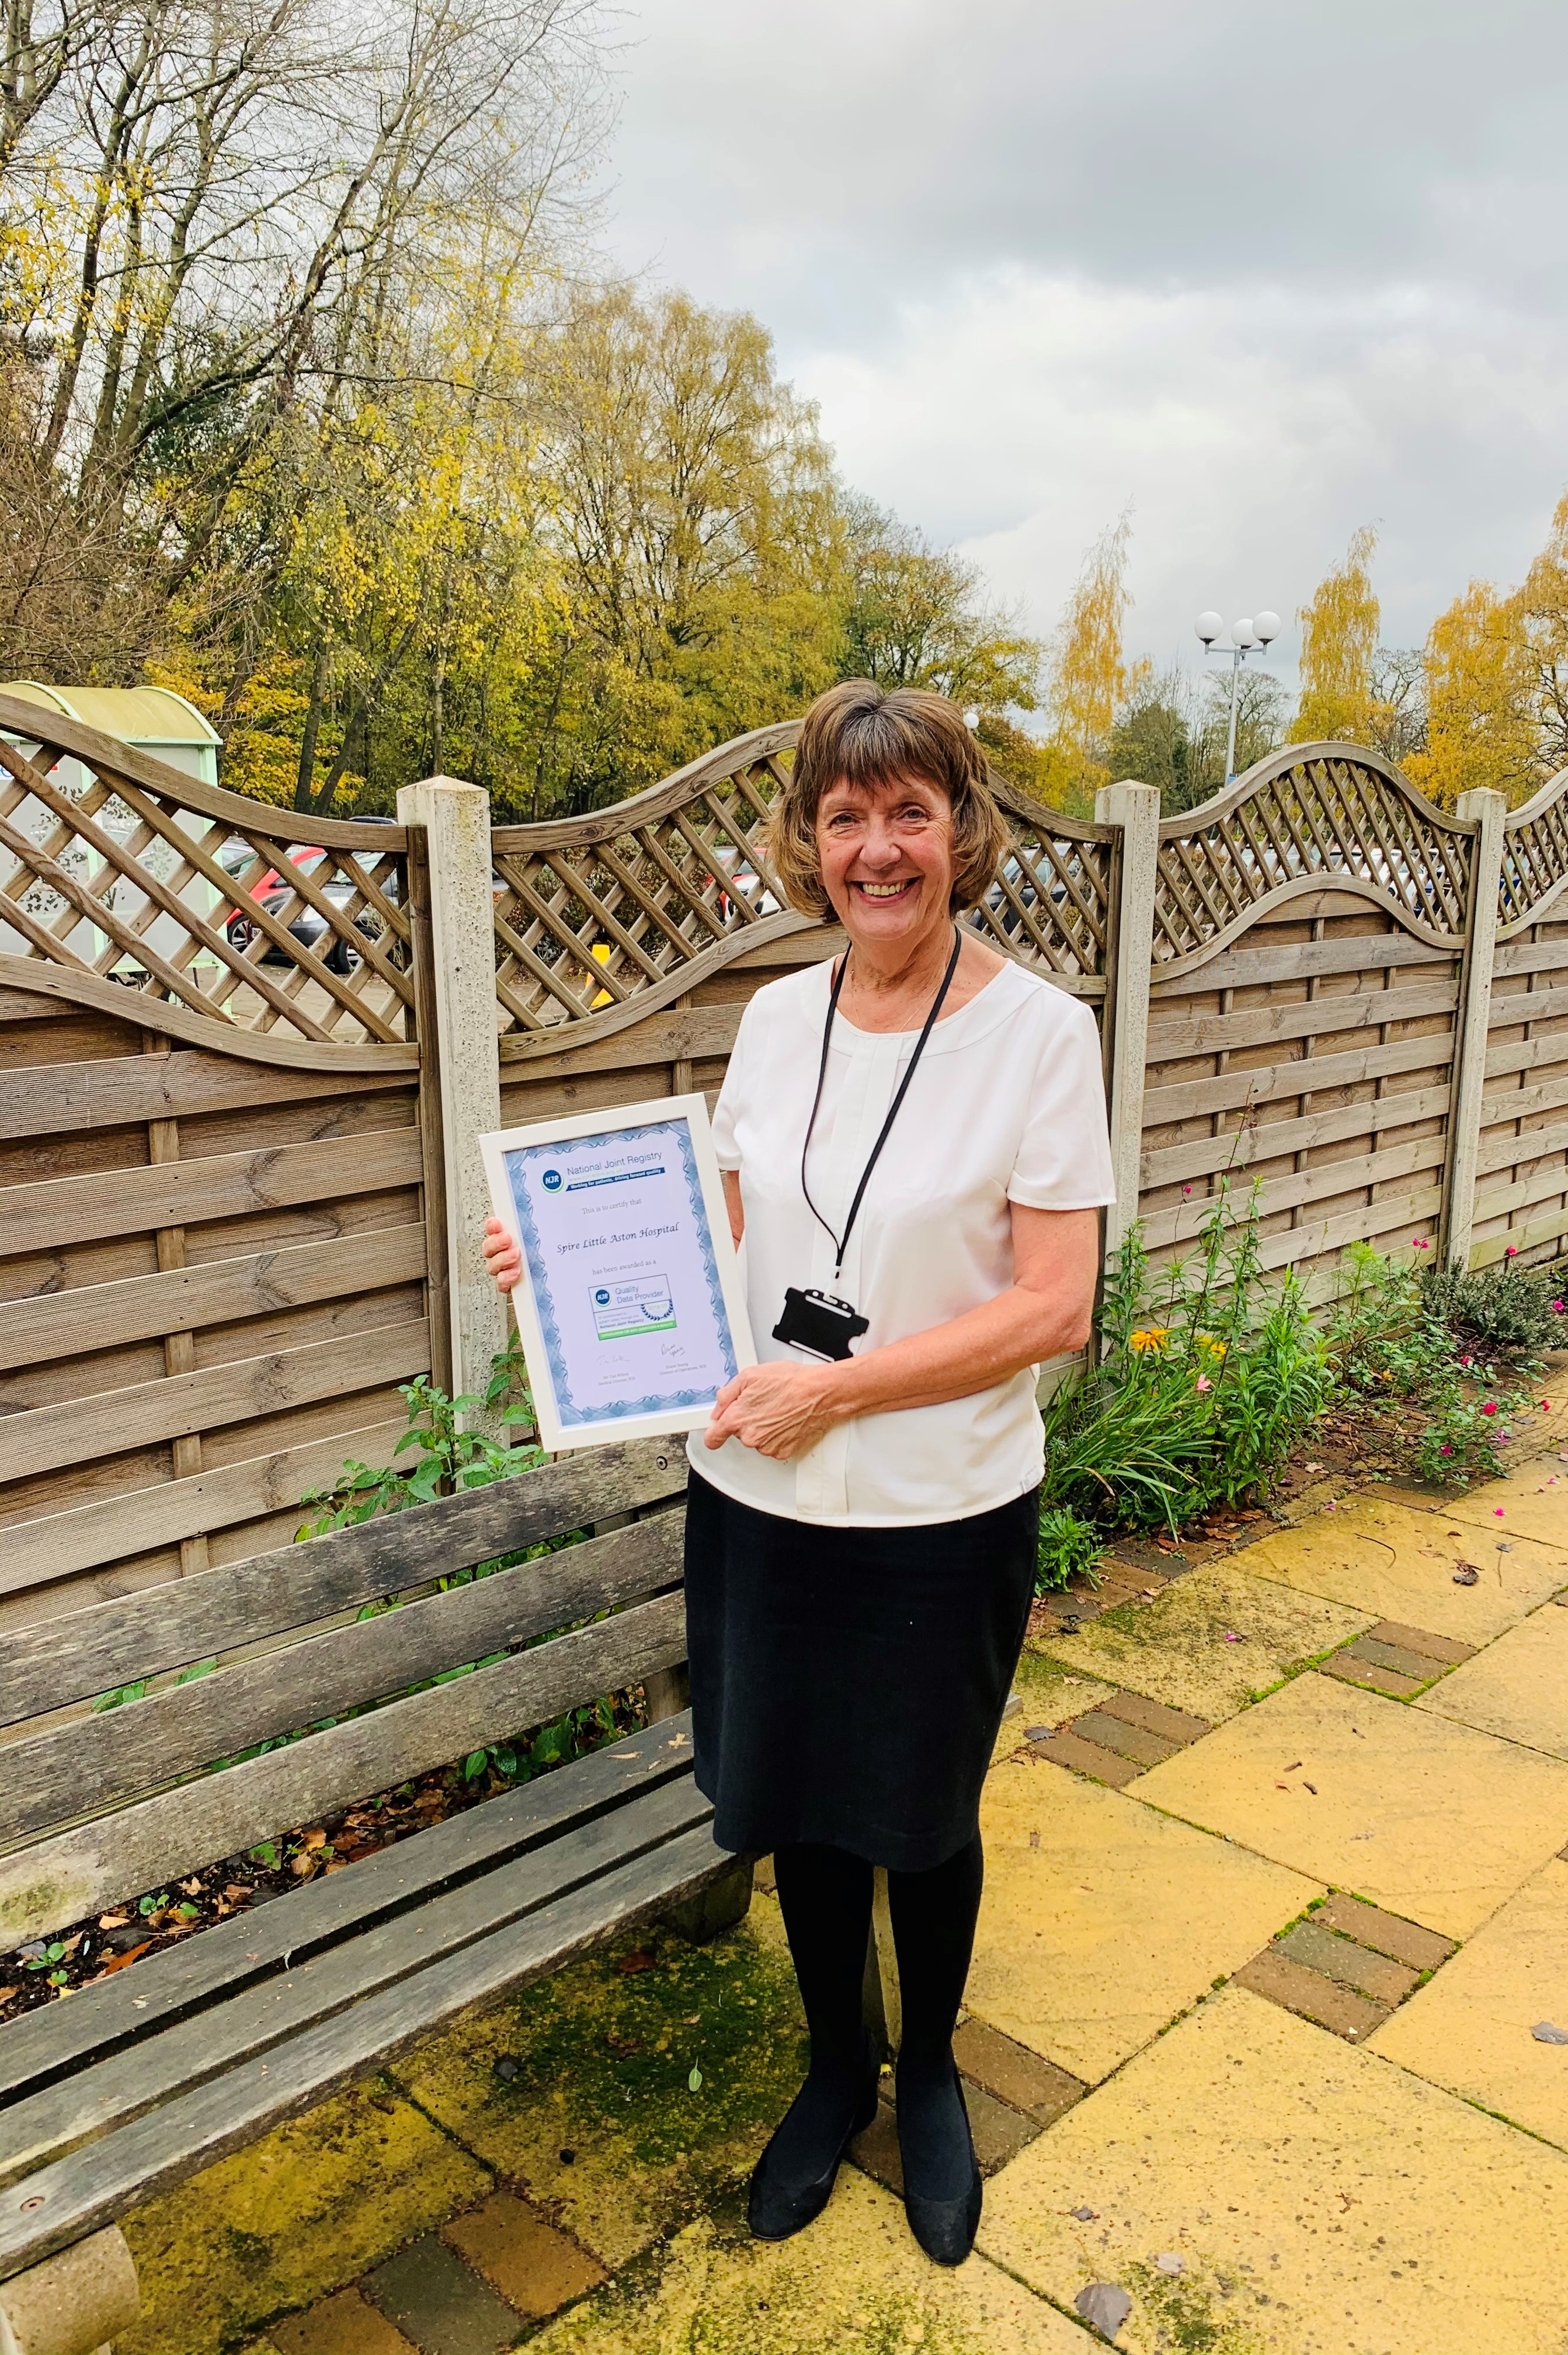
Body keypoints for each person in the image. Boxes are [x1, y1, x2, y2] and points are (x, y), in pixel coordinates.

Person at [482, 680, 1112, 2264]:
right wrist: (557, 1260)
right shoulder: (776, 1018)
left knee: (919, 1806)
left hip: (938, 1510)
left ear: (959, 833)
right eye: (846, 816)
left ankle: (935, 2074)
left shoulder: (1040, 1036)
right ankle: (836, 2069)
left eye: (910, 812)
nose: (878, 847)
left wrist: (842, 1394)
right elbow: (723, 1239)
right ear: (809, 843)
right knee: (804, 1807)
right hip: (761, 1499)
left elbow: (1056, 1305)